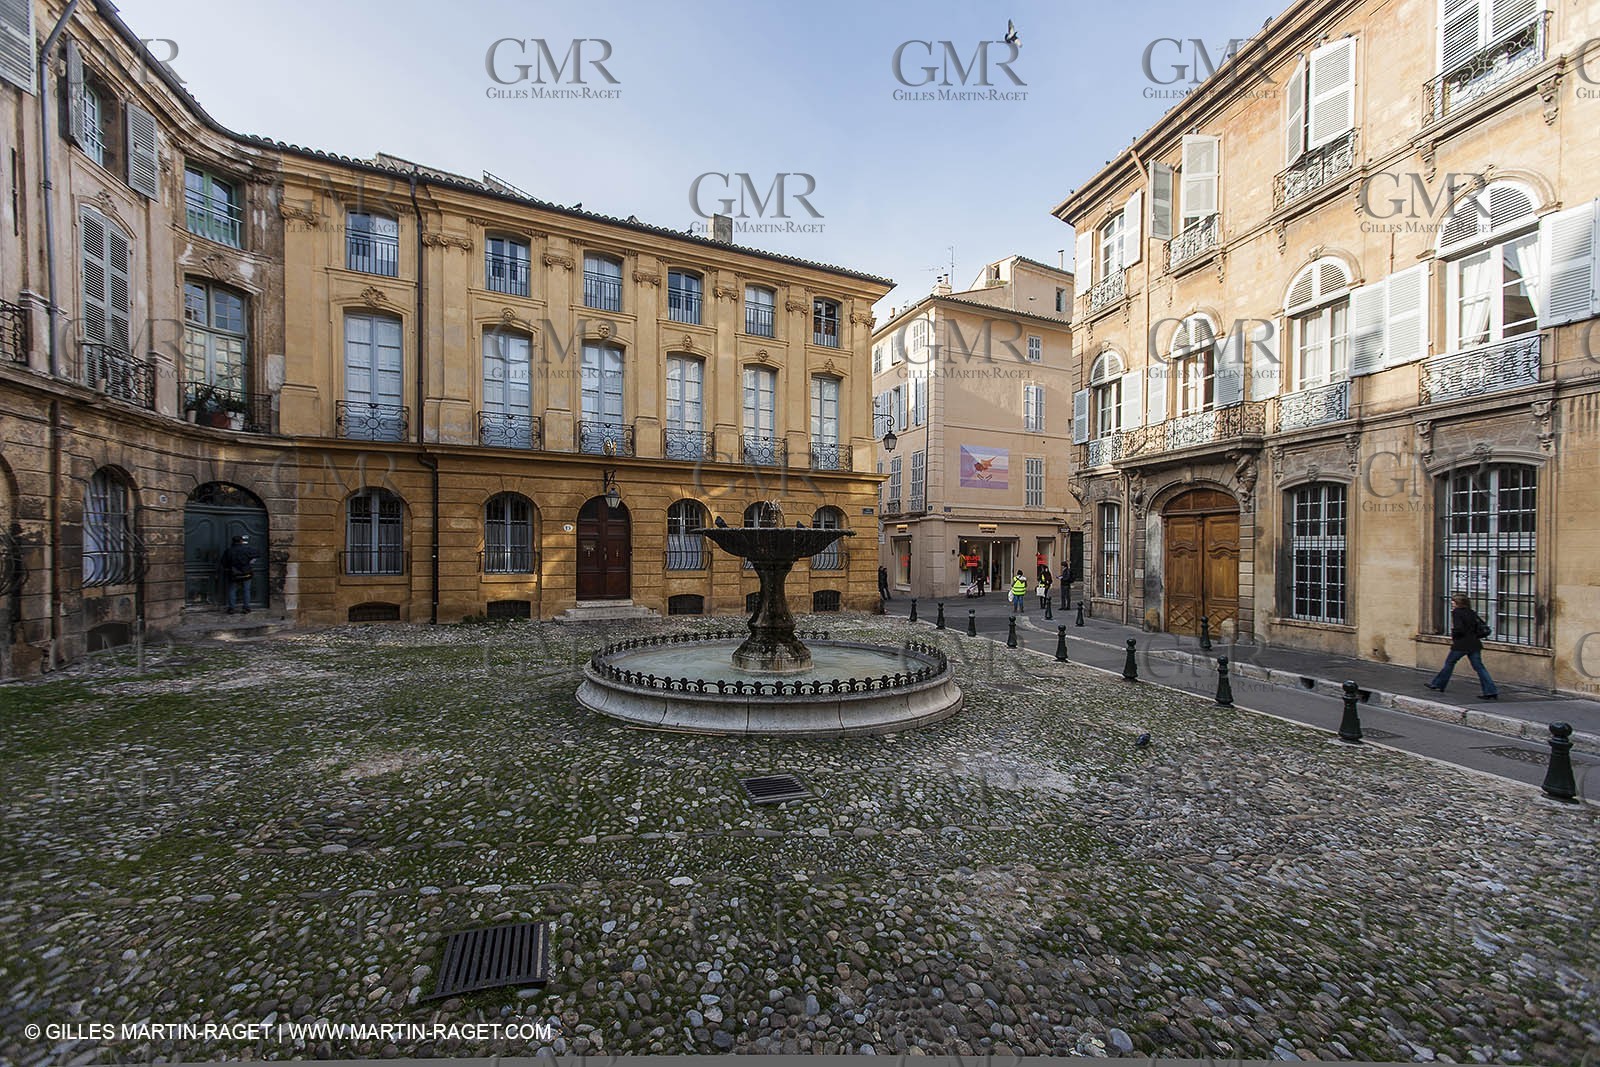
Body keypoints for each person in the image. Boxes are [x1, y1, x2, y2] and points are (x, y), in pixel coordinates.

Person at [1427, 593, 1498, 699]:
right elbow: (1480, 626)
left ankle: (1438, 684)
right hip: (1474, 643)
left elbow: (1459, 628)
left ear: (1458, 603)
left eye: (1453, 601)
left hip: (1461, 644)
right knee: (1479, 667)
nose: (1452, 603)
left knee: (1450, 663)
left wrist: (1454, 636)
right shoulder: (1471, 612)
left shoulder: (1457, 612)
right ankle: (1490, 691)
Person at [220, 534, 258, 615]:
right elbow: (257, 555)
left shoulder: (229, 550)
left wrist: (229, 567)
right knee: (246, 590)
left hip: (233, 573)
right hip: (246, 573)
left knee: (232, 590)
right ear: (241, 541)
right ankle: (246, 608)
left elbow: (223, 562)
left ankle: (232, 608)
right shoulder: (247, 549)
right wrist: (250, 563)